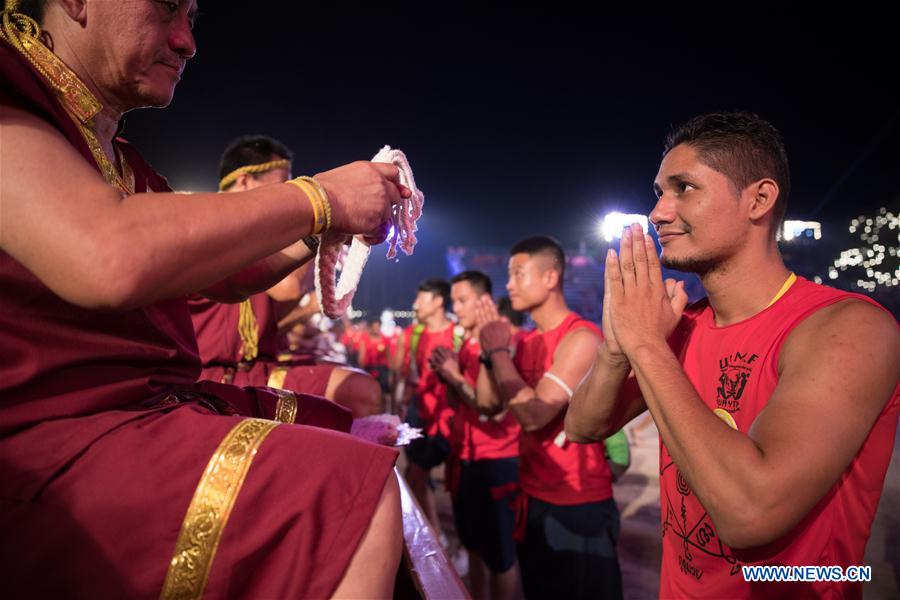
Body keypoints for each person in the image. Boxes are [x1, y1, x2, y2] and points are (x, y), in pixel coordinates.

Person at [0, 0, 409, 596]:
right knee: (349, 495)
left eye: (193, 16)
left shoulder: (118, 159)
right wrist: (319, 198)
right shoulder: (9, 102)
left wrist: (327, 223)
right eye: (166, 7)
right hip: (40, 443)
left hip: (124, 414)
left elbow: (226, 274)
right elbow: (105, 254)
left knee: (354, 435)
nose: (187, 41)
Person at [565, 111, 899, 598]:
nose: (658, 212)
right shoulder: (684, 326)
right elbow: (582, 426)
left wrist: (644, 344)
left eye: (684, 188)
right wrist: (619, 350)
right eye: (659, 192)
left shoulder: (847, 327)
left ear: (759, 199)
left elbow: (750, 514)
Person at [188, 135, 382, 417]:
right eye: (283, 185)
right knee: (360, 392)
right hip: (212, 376)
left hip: (257, 367)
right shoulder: (210, 222)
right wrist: (325, 215)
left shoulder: (258, 233)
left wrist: (303, 323)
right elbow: (289, 288)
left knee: (361, 390)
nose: (289, 195)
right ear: (244, 183)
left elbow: (276, 316)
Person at [475, 236, 623, 600]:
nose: (508, 284)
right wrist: (487, 353)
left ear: (550, 277)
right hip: (534, 498)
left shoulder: (581, 338)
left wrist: (498, 352)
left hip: (576, 505)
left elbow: (534, 414)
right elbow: (488, 405)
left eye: (518, 274)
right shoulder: (525, 342)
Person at [429, 270, 522, 599]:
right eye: (454, 301)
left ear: (484, 301)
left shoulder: (501, 342)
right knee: (474, 547)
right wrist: (446, 374)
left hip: (497, 458)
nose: (457, 308)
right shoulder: (465, 343)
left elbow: (491, 409)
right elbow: (459, 402)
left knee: (500, 557)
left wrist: (454, 376)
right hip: (465, 456)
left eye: (462, 300)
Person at [402, 279, 456, 530]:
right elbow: (413, 375)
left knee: (452, 481)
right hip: (420, 413)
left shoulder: (458, 334)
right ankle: (435, 536)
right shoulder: (415, 335)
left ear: (437, 301)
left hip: (450, 418)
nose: (415, 305)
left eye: (421, 299)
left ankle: (448, 543)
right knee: (416, 476)